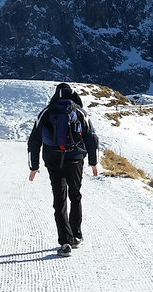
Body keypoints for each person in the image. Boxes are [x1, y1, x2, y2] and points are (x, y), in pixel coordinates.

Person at [28, 83, 99, 257]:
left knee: (59, 200)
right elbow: (92, 138)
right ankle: (76, 236)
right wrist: (93, 162)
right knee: (75, 196)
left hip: (53, 160)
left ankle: (65, 242)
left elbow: (34, 140)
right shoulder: (80, 112)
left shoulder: (46, 112)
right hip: (75, 159)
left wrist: (34, 166)